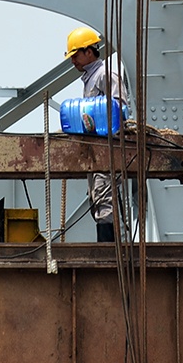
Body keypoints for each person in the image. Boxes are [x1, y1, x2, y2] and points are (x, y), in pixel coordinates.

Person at [65, 27, 128, 242]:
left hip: (108, 149)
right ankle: (107, 247)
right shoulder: (91, 79)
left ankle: (108, 251)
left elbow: (120, 108)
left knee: (104, 196)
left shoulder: (106, 74)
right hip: (96, 150)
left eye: (75, 55)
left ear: (88, 52)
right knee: (96, 197)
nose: (73, 61)